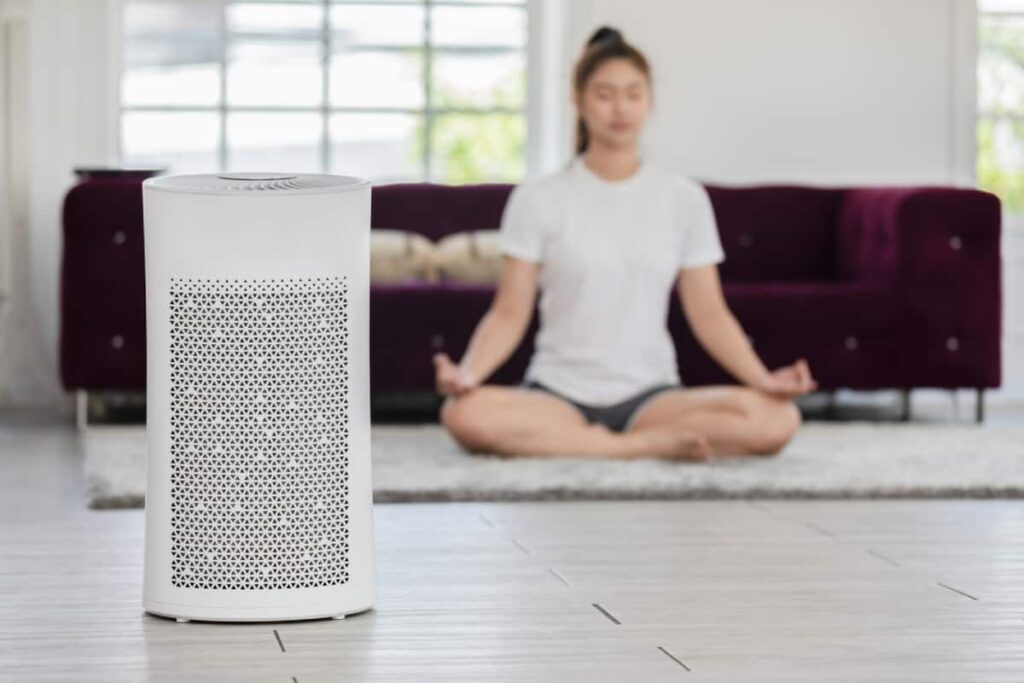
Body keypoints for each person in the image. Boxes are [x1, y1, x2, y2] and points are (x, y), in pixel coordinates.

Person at [433, 26, 818, 461]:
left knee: (777, 420)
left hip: (653, 398)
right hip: (558, 396)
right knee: (464, 414)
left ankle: (599, 447)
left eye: (633, 94)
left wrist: (764, 381)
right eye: (604, 94)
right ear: (577, 101)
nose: (621, 108)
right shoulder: (537, 198)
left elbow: (709, 311)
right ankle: (639, 449)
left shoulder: (683, 198)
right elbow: (508, 312)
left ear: (649, 101)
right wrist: (469, 374)